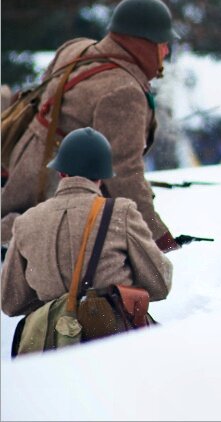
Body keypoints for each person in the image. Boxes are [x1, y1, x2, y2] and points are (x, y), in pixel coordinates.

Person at [2, 0, 181, 252]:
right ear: (143, 43)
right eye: (162, 43)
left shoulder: (76, 49)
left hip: (25, 167)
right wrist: (158, 237)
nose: (165, 51)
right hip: (54, 189)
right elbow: (124, 174)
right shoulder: (124, 91)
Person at [2, 128, 173, 324]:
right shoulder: (120, 212)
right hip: (113, 335)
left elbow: (11, 301)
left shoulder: (26, 222)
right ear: (102, 176)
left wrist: (55, 306)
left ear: (60, 172)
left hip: (51, 346)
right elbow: (159, 282)